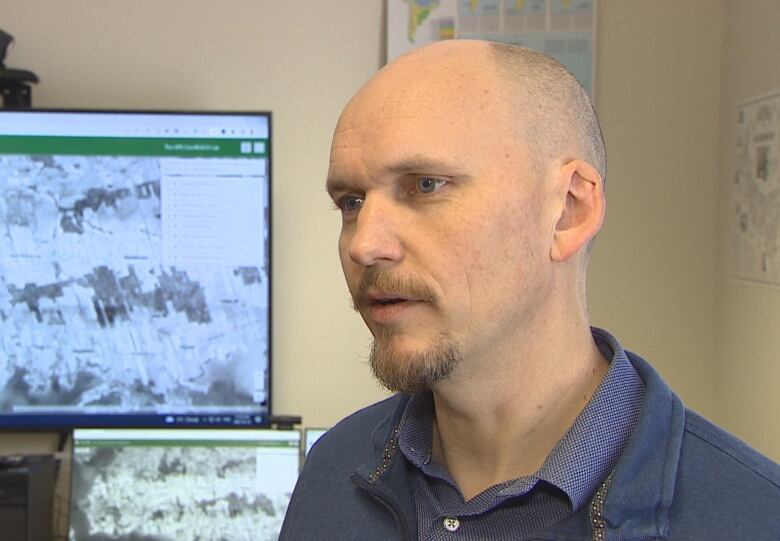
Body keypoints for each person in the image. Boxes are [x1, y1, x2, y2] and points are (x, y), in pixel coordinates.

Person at [279, 40, 780, 540]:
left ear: (568, 210)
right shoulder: (334, 473)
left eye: (426, 185)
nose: (364, 244)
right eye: (351, 202)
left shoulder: (753, 517)